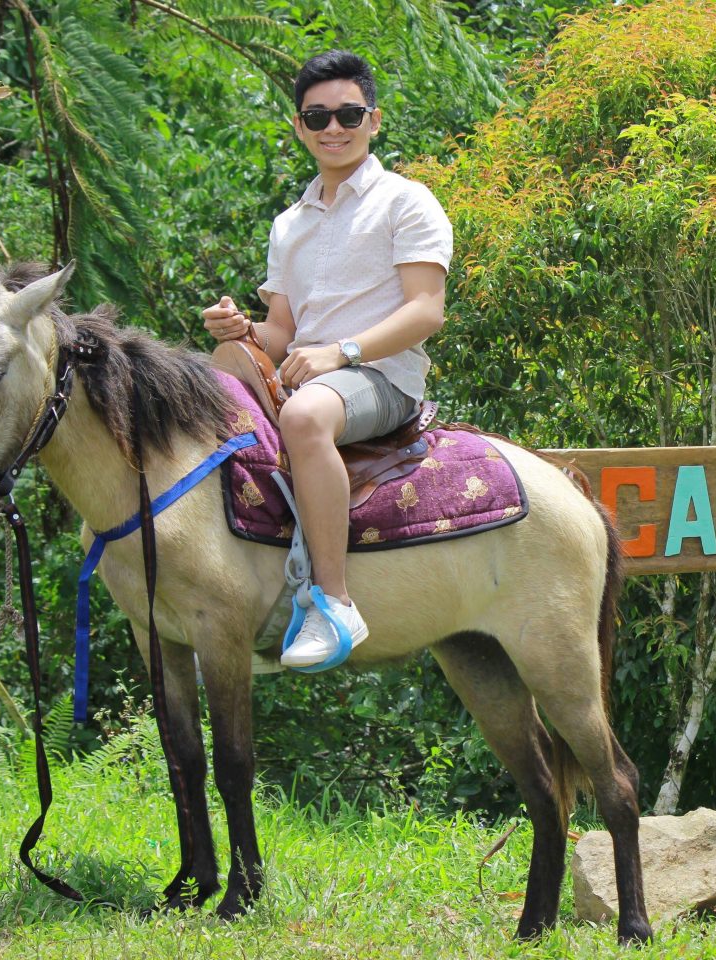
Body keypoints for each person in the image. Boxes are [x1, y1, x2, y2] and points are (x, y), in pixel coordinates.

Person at [202, 50, 452, 668]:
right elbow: (282, 334)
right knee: (215, 372)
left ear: (374, 120)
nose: (333, 129)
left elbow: (426, 312)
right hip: (310, 373)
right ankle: (221, 572)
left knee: (306, 417)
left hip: (382, 378)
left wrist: (341, 352)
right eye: (318, 117)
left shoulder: (406, 201)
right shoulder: (289, 225)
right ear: (299, 127)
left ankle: (333, 602)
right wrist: (241, 329)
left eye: (347, 114)